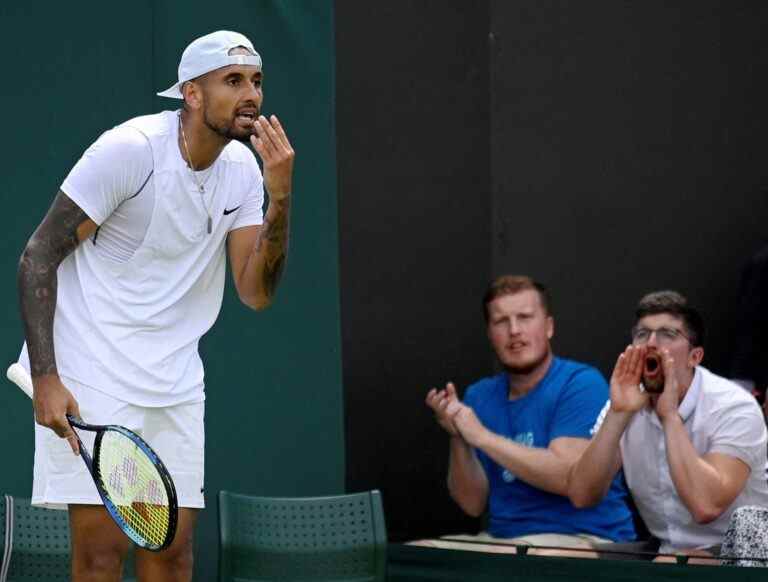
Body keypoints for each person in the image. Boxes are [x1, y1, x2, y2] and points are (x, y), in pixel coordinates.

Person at [15, 30, 294, 581]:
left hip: (174, 382)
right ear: (191, 92)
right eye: (232, 81)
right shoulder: (132, 150)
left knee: (172, 557)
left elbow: (256, 292)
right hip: (90, 372)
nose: (251, 95)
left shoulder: (241, 170)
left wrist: (280, 195)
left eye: (256, 81)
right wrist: (46, 378)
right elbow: (38, 256)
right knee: (99, 557)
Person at [422, 275, 636, 556]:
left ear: (548, 327)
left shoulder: (581, 383)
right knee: (419, 554)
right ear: (490, 333)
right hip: (504, 541)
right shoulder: (479, 395)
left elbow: (568, 478)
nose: (514, 330)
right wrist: (458, 437)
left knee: (534, 561)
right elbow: (472, 503)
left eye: (524, 317)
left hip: (586, 539)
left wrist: (483, 437)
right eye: (501, 321)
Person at [568, 291, 768, 563]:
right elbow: (582, 495)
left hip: (746, 553)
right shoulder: (624, 403)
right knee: (556, 558)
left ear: (694, 356)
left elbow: (706, 506)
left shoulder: (734, 406)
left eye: (667, 335)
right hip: (665, 550)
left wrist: (669, 416)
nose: (651, 343)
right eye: (642, 334)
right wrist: (618, 414)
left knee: (670, 566)